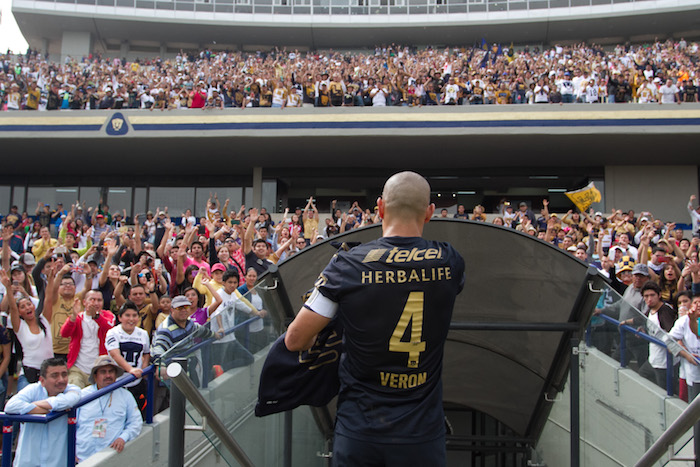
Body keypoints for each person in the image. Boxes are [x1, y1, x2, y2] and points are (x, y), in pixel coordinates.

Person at [285, 171, 465, 466]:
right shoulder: (450, 260)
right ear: (430, 212)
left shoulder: (346, 265)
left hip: (360, 431)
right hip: (423, 436)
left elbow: (295, 340)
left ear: (380, 207)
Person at [4, 357, 81, 467]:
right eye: (55, 375)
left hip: (56, 463)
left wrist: (31, 406)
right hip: (28, 461)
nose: (61, 380)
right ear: (42, 380)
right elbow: (10, 406)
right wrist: (47, 408)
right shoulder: (33, 389)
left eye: (64, 374)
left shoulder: (73, 390)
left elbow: (65, 401)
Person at [75, 356, 143, 462]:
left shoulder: (126, 396)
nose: (108, 375)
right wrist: (71, 452)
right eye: (103, 372)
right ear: (95, 375)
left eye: (111, 371)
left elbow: (135, 422)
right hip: (82, 457)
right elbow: (70, 426)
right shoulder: (82, 396)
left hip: (111, 457)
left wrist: (123, 438)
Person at [60, 289, 116, 388]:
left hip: (99, 370)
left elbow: (110, 328)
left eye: (99, 300)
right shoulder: (78, 318)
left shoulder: (108, 315)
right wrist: (73, 316)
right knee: (74, 394)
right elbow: (64, 333)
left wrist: (96, 316)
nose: (96, 303)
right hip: (78, 369)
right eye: (92, 299)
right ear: (84, 302)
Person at [106, 301, 151, 414]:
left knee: (138, 413)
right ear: (120, 318)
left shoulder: (143, 333)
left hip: (137, 383)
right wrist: (130, 370)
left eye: (134, 315)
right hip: (118, 382)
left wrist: (144, 367)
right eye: (127, 315)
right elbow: (115, 354)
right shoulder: (113, 333)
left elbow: (146, 353)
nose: (131, 319)